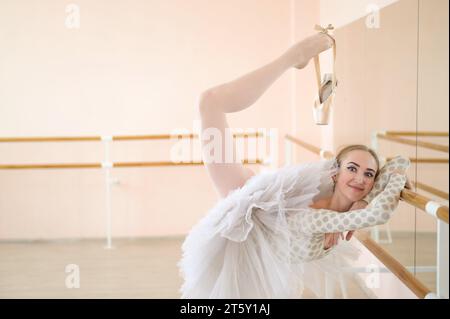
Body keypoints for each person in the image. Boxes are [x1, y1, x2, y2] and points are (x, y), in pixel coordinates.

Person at [178, 32, 411, 298]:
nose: (360, 179)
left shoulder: (334, 213)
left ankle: (293, 58)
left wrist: (371, 196)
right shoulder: (334, 208)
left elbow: (379, 196)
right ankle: (293, 58)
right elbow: (396, 170)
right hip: (251, 206)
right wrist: (381, 187)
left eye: (369, 175)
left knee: (210, 101)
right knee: (209, 101)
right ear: (335, 174)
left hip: (248, 230)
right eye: (352, 169)